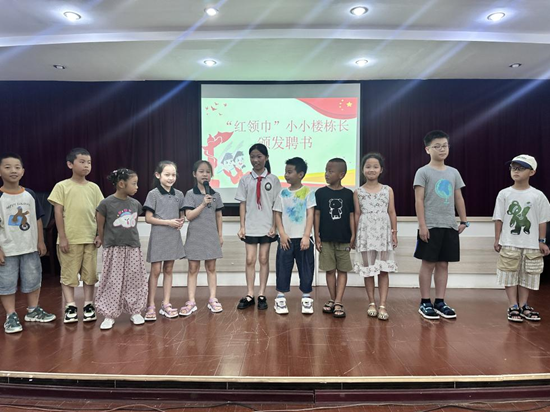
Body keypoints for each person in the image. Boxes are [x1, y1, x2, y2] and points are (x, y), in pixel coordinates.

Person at [413, 130, 468, 320]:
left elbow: (458, 197)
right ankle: (425, 302)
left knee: (444, 264)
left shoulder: (454, 172)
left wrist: (463, 220)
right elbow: (419, 200)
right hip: (430, 225)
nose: (442, 149)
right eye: (437, 146)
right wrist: (422, 225)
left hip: (449, 225)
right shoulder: (423, 172)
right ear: (427, 149)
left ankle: (440, 302)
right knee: (428, 263)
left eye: (445, 145)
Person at [0, 153, 56, 333]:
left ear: (23, 171)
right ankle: (10, 315)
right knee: (6, 282)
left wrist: (40, 241)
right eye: (7, 167)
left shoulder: (29, 194)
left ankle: (33, 310)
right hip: (7, 249)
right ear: (0, 171)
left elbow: (37, 219)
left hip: (29, 247)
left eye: (17, 167)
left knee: (33, 278)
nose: (13, 170)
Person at [48, 148, 103, 323]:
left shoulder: (94, 188)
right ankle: (70, 306)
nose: (86, 165)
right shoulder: (62, 186)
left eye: (89, 162)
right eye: (82, 162)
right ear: (70, 164)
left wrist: (99, 234)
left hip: (90, 239)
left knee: (90, 275)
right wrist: (63, 237)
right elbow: (58, 212)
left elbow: (99, 213)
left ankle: (88, 305)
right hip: (70, 240)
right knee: (68, 275)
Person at [493, 155, 550, 322]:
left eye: (521, 168)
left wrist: (542, 241)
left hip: (531, 244)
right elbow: (499, 218)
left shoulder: (538, 195)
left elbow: (542, 220)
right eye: (513, 168)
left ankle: (524, 305)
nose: (516, 171)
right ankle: (513, 305)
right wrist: (497, 239)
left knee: (528, 274)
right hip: (509, 241)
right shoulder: (504, 194)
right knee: (509, 273)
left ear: (532, 172)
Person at [95, 169, 148, 330]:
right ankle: (109, 314)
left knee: (134, 279)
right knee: (112, 280)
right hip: (114, 248)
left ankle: (135, 311)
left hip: (132, 247)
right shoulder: (106, 203)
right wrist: (103, 241)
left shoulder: (135, 204)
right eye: (134, 183)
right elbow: (100, 226)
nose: (137, 187)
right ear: (121, 184)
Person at [235, 143, 281, 310]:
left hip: (267, 226)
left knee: (263, 259)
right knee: (250, 259)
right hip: (251, 225)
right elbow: (242, 204)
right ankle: (250, 294)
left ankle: (261, 293)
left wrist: (274, 226)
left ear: (266, 158)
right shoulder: (245, 180)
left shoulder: (273, 179)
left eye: (259, 156)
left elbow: (277, 205)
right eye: (253, 157)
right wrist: (242, 226)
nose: (256, 160)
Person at [354, 153, 397, 321]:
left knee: (383, 270)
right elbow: (357, 215)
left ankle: (383, 305)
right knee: (368, 271)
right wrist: (355, 236)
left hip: (383, 234)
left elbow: (392, 212)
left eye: (375, 167)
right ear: (362, 170)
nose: (371, 169)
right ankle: (371, 303)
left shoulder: (388, 190)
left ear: (381, 170)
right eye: (368, 166)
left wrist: (394, 233)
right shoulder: (358, 192)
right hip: (365, 234)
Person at [180, 160, 224, 316]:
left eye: (208, 172)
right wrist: (203, 204)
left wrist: (220, 235)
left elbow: (219, 216)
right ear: (194, 174)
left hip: (211, 236)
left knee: (211, 268)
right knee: (193, 268)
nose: (205, 174)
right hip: (195, 236)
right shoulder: (190, 194)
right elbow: (189, 216)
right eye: (201, 171)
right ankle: (191, 301)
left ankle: (213, 298)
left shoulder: (216, 195)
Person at [273, 157, 316, 314]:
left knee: (306, 268)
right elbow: (277, 214)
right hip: (286, 239)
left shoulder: (308, 192)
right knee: (283, 267)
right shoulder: (282, 193)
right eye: (285, 172)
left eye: (290, 172)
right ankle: (280, 298)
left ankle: (306, 298)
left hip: (304, 239)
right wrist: (282, 234)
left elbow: (310, 215)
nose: (286, 175)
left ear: (300, 174)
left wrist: (306, 235)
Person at [143, 160, 185, 320]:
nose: (171, 178)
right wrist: (168, 222)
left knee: (169, 269)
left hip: (173, 236)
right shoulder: (153, 194)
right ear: (158, 175)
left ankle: (166, 303)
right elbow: (148, 218)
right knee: (155, 271)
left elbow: (181, 214)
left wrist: (181, 220)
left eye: (173, 175)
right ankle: (150, 305)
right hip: (159, 236)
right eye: (167, 174)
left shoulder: (179, 194)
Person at [314, 158, 355, 318]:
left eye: (330, 171)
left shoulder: (348, 194)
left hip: (344, 238)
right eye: (326, 170)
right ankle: (332, 299)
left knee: (342, 270)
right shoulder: (320, 193)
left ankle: (339, 301)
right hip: (325, 239)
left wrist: (353, 234)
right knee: (330, 270)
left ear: (341, 175)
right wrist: (316, 236)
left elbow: (351, 215)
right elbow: (317, 215)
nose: (326, 174)